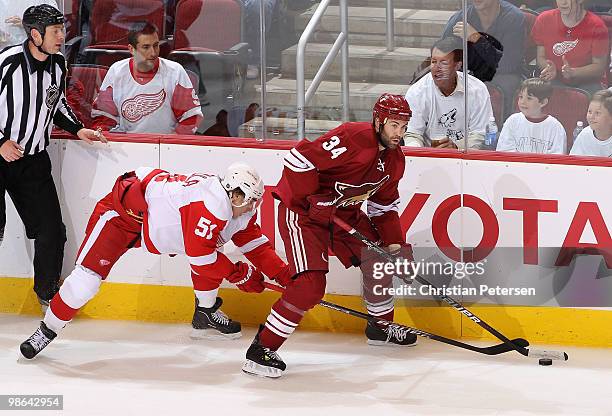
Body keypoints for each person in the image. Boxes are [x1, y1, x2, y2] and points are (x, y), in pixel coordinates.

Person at [19, 163, 292, 359]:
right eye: (250, 200)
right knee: (85, 283)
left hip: (152, 220)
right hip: (122, 216)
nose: (253, 207)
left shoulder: (236, 208)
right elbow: (202, 259)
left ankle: (205, 312)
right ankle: (48, 329)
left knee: (212, 251)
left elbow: (256, 245)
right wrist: (241, 275)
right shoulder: (210, 206)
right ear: (234, 193)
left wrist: (286, 278)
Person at [240, 94, 416, 379]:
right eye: (394, 125)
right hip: (304, 215)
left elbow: (383, 208)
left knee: (380, 257)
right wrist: (313, 198)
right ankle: (262, 349)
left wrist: (396, 247)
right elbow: (298, 159)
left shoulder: (395, 161)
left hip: (342, 215)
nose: (399, 133)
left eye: (404, 126)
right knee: (309, 285)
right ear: (379, 121)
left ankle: (381, 327)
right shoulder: (353, 137)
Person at [0, 4, 106, 311]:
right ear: (35, 34)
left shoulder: (58, 64)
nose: (62, 36)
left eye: (62, 29)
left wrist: (79, 129)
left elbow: (55, 104)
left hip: (32, 161)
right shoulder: (7, 63)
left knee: (51, 231)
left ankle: (47, 291)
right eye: (55, 31)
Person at [91, 22, 203, 135]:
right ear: (131, 49)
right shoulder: (116, 71)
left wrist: (171, 143)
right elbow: (104, 115)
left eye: (156, 45)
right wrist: (103, 133)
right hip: (126, 145)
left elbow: (191, 117)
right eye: (146, 47)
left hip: (165, 146)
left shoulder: (175, 72)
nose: (153, 53)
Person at [404, 37, 494, 150]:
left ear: (457, 65)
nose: (437, 68)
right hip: (428, 156)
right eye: (433, 62)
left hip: (467, 158)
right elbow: (413, 134)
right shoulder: (417, 92)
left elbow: (480, 134)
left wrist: (457, 147)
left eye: (443, 63)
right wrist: (420, 153)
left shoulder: (477, 90)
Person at [442, 0, 525, 118]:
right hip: (467, 72)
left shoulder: (513, 18)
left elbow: (508, 63)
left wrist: (477, 39)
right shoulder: (460, 18)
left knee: (507, 82)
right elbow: (442, 53)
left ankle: (500, 131)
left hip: (500, 75)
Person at [531, 0, 609, 93]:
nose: (563, 3)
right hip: (555, 79)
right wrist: (548, 68)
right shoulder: (544, 19)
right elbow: (540, 57)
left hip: (587, 82)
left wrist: (573, 72)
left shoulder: (597, 26)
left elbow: (599, 68)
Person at [496, 78, 567, 153]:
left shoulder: (555, 127)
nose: (522, 102)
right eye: (521, 97)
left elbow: (557, 156)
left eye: (529, 98)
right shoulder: (512, 121)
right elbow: (504, 151)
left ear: (543, 102)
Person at [570, 89, 612, 156]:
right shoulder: (584, 134)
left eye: (597, 113)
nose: (591, 117)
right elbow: (573, 162)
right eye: (589, 112)